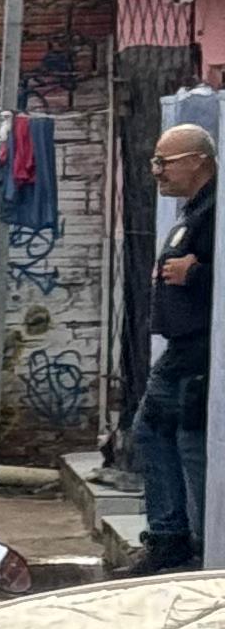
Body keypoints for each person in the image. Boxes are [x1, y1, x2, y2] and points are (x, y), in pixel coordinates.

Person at [143, 123, 212, 573]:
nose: (157, 171)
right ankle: (168, 537)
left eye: (164, 162)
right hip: (179, 348)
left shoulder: (217, 210)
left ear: (198, 161)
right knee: (150, 430)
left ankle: (206, 548)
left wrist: (198, 274)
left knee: (192, 445)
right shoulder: (194, 210)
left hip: (202, 352)